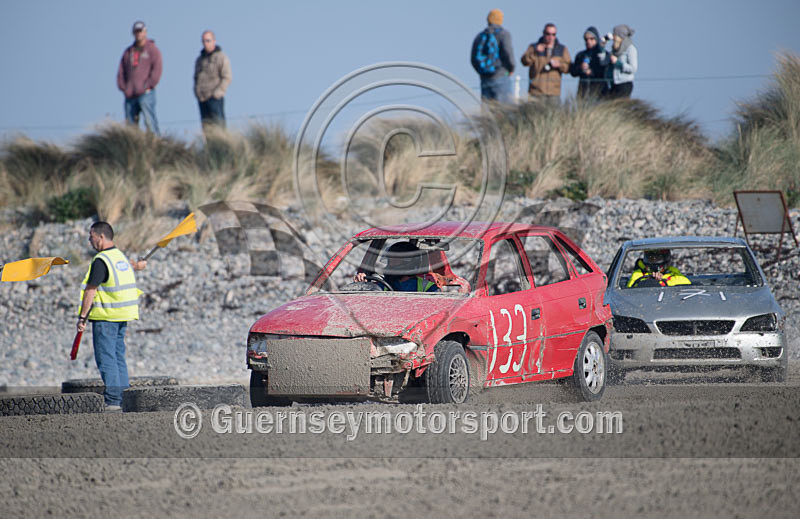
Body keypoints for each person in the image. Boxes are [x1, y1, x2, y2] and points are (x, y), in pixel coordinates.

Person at [77, 222, 146, 411]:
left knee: (106, 358)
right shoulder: (120, 257)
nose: (89, 241)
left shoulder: (101, 260)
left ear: (100, 236)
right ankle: (125, 399)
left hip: (106, 316)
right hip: (123, 315)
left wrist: (82, 317)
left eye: (91, 236)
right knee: (118, 357)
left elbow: (91, 290)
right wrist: (139, 265)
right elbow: (132, 268)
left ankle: (114, 400)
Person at [117, 21, 162, 134]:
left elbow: (157, 70)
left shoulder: (152, 50)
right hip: (130, 95)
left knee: (150, 122)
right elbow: (121, 71)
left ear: (145, 32)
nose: (139, 34)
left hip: (146, 94)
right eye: (136, 32)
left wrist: (147, 86)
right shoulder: (128, 52)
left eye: (141, 31)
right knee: (130, 127)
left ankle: (156, 144)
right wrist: (124, 88)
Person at [354, 242, 438, 292]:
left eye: (394, 260)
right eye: (389, 260)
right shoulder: (383, 284)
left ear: (409, 262)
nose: (390, 264)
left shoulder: (429, 288)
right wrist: (361, 284)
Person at [470, 9, 515, 103]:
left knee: (487, 115)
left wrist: (482, 72)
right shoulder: (504, 34)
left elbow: (473, 59)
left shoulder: (480, 36)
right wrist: (511, 69)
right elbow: (508, 53)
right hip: (501, 77)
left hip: (485, 80)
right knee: (505, 112)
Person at [194, 30, 233, 129]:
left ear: (214, 41)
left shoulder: (221, 57)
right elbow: (195, 78)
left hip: (215, 99)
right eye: (203, 41)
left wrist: (218, 93)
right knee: (207, 128)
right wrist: (197, 92)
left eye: (208, 40)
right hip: (202, 99)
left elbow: (227, 77)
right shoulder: (200, 60)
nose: (205, 43)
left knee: (219, 126)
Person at [521, 23, 571, 100]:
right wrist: (535, 52)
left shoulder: (562, 49)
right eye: (548, 34)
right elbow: (524, 61)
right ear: (543, 33)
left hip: (554, 93)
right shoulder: (533, 47)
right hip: (536, 92)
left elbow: (569, 68)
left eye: (553, 34)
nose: (550, 37)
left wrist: (559, 65)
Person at [569, 26, 607, 98]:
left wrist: (591, 72)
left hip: (599, 94)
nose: (588, 41)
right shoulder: (581, 55)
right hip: (583, 94)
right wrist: (581, 68)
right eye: (586, 39)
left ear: (597, 39)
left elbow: (605, 70)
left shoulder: (603, 54)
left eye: (591, 39)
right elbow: (572, 72)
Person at [601, 24, 637, 99]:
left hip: (624, 84)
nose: (613, 37)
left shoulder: (630, 49)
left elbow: (633, 68)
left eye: (614, 34)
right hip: (613, 84)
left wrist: (618, 63)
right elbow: (603, 62)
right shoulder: (614, 50)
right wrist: (602, 46)